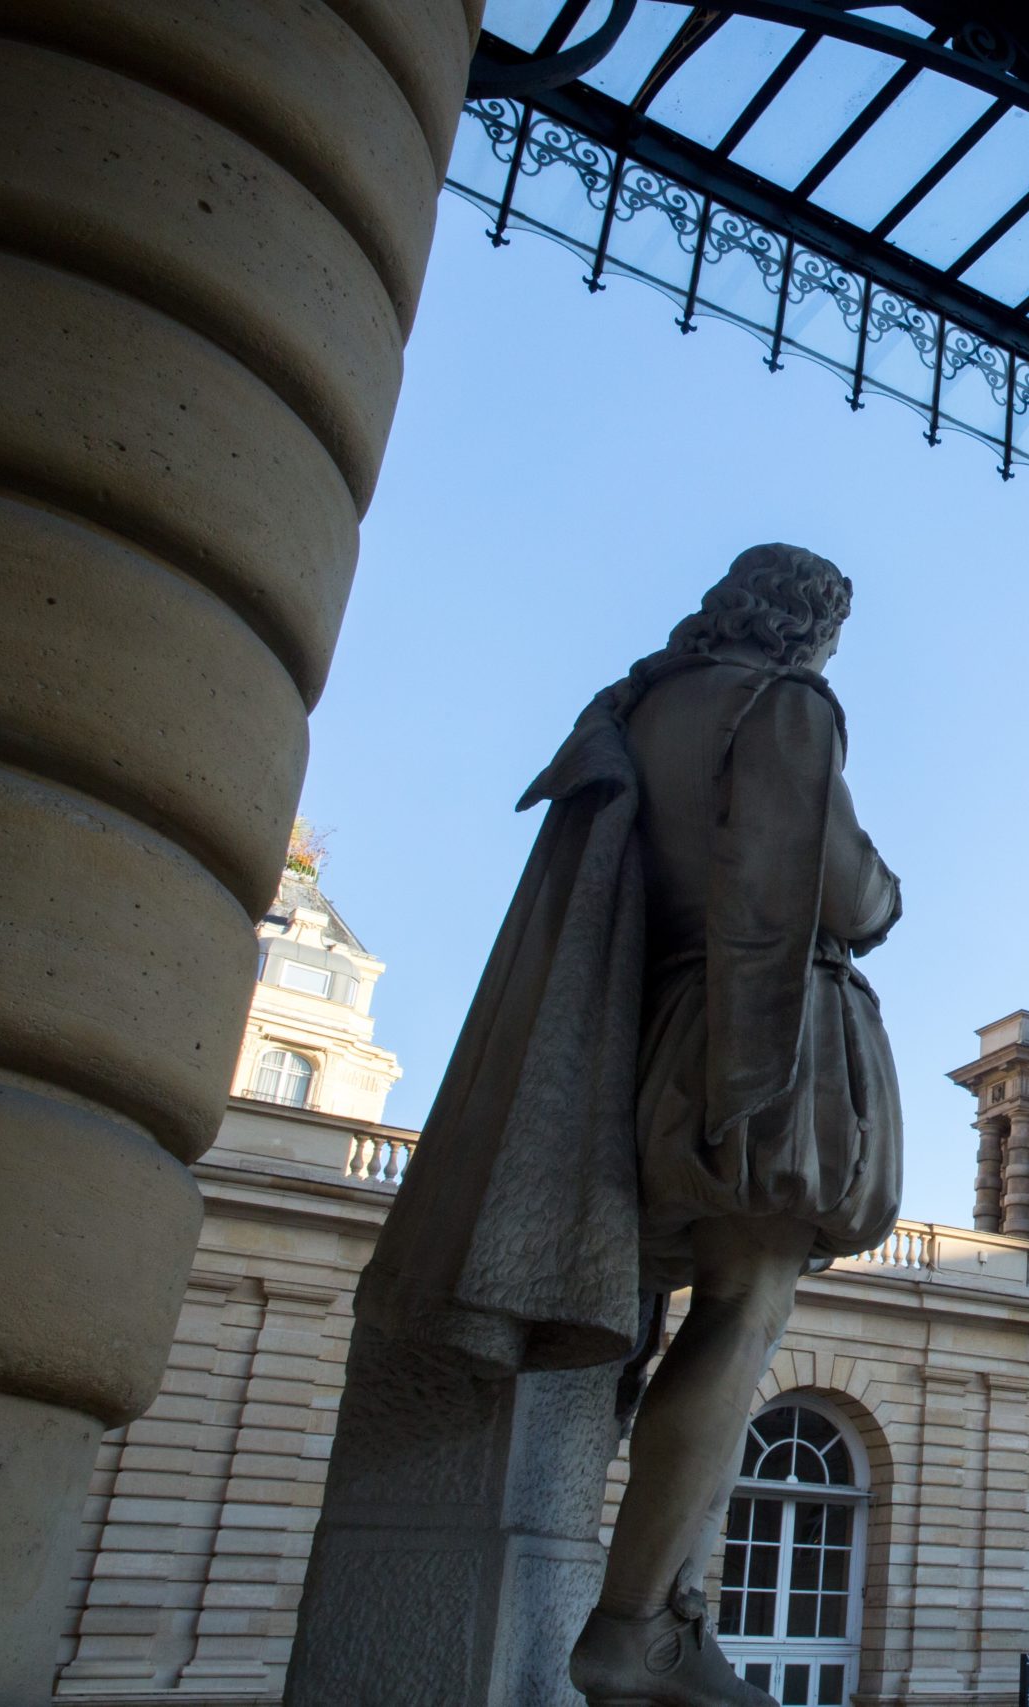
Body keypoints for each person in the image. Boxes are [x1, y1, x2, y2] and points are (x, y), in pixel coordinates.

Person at [355, 545, 903, 1707]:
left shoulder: (632, 705)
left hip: (648, 1033)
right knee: (746, 1306)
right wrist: (889, 885)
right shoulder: (784, 704)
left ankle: (671, 1609)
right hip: (759, 1037)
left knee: (676, 1310)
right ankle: (638, 1622)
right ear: (806, 624)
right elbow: (844, 892)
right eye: (831, 629)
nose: (830, 651)